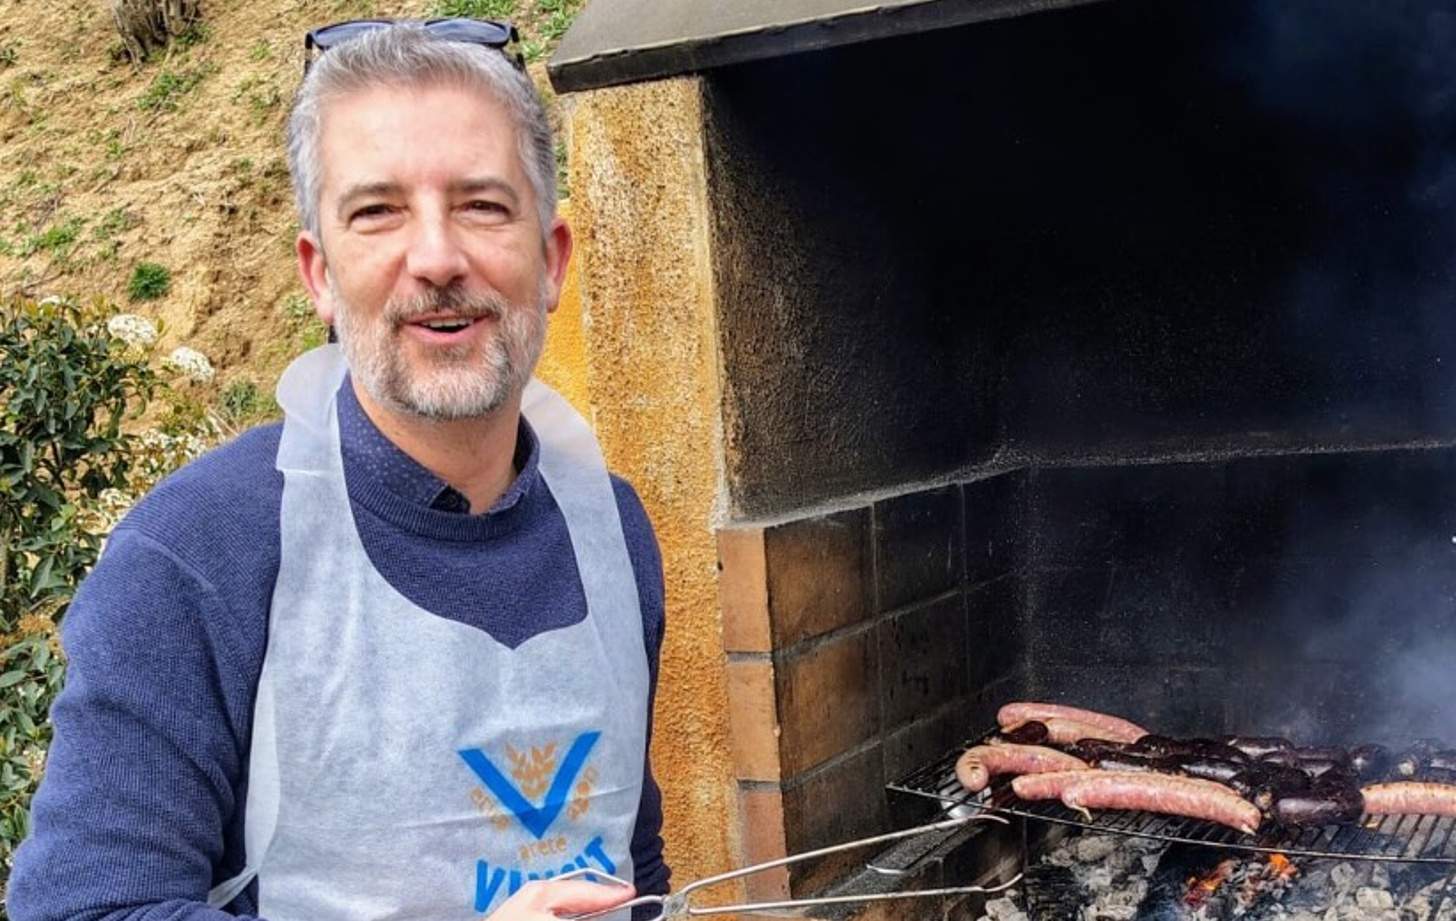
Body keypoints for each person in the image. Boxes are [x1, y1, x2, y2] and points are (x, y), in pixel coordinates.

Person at [7, 19, 668, 921]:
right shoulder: (197, 556)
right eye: (377, 212)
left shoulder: (611, 532)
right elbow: (81, 910)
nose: (436, 258)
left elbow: (631, 859)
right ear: (318, 274)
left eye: (482, 205)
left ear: (551, 260)